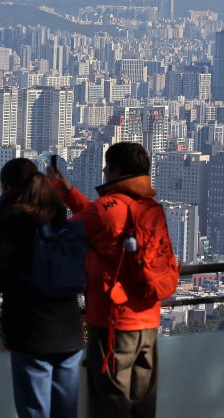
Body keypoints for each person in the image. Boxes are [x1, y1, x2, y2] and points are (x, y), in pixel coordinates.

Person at [48, 142, 171, 418]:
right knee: (143, 407)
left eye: (107, 166)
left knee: (110, 405)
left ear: (117, 171)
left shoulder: (105, 210)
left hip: (113, 324)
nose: (103, 171)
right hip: (149, 322)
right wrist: (66, 191)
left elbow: (60, 236)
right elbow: (102, 219)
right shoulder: (151, 208)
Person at [0, 158, 84, 418]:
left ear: (9, 188)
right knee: (67, 412)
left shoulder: (15, 224)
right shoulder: (60, 221)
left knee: (35, 410)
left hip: (32, 333)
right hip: (70, 331)